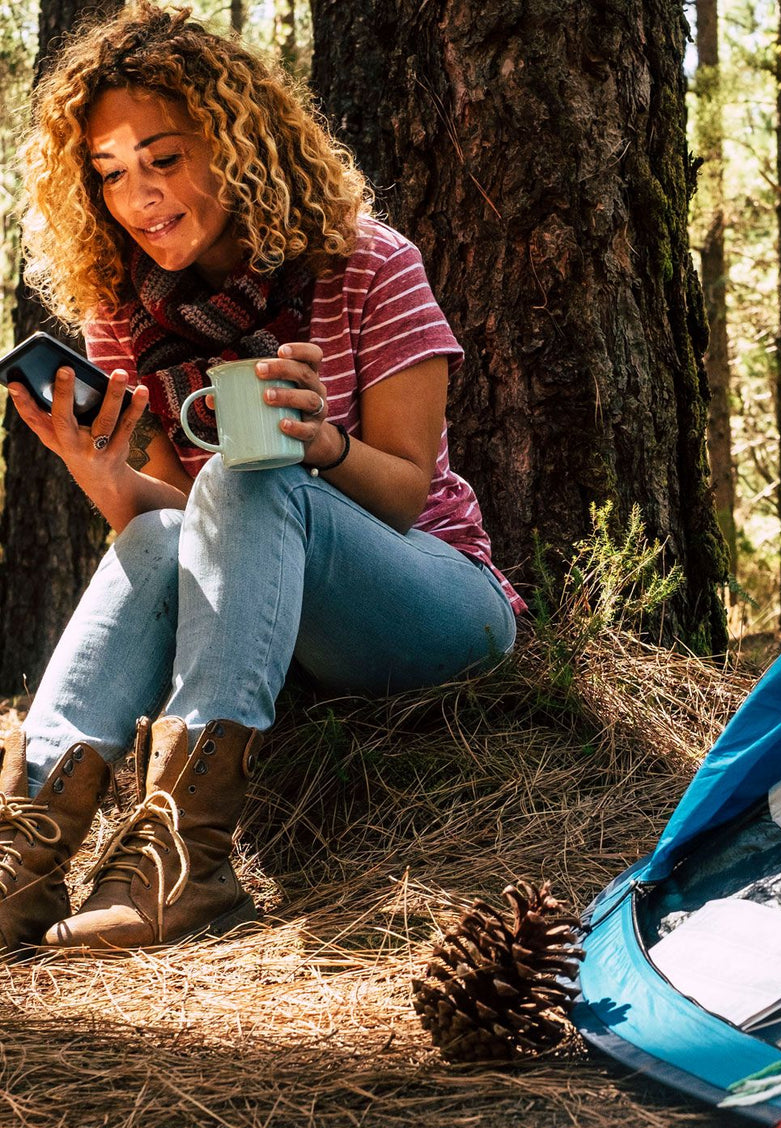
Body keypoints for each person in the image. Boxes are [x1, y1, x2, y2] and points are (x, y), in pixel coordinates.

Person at [0, 2, 523, 954]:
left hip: (435, 596)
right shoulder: (128, 317)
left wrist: (319, 444)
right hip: (268, 618)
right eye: (110, 174)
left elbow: (407, 492)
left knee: (251, 478)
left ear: (237, 145)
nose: (140, 196)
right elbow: (174, 534)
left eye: (164, 158)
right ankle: (24, 855)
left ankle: (184, 859)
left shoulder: (370, 264)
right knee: (167, 525)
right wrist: (103, 472)